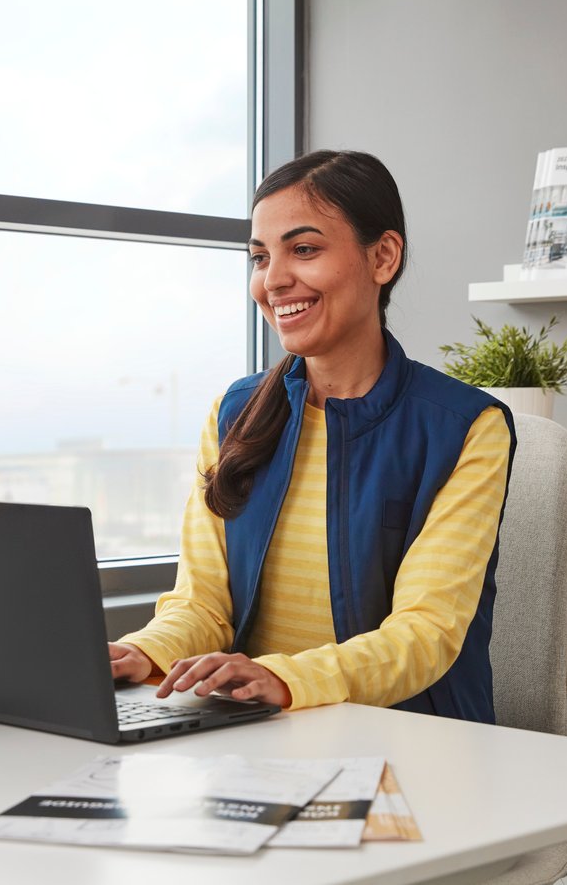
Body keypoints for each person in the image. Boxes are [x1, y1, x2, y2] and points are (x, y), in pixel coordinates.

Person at [108, 150, 515, 723]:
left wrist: (283, 676)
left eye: (304, 249)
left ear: (383, 257)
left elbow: (427, 633)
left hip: (412, 736)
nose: (273, 280)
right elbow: (202, 603)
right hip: (257, 731)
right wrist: (140, 651)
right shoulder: (236, 414)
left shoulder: (464, 427)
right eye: (259, 257)